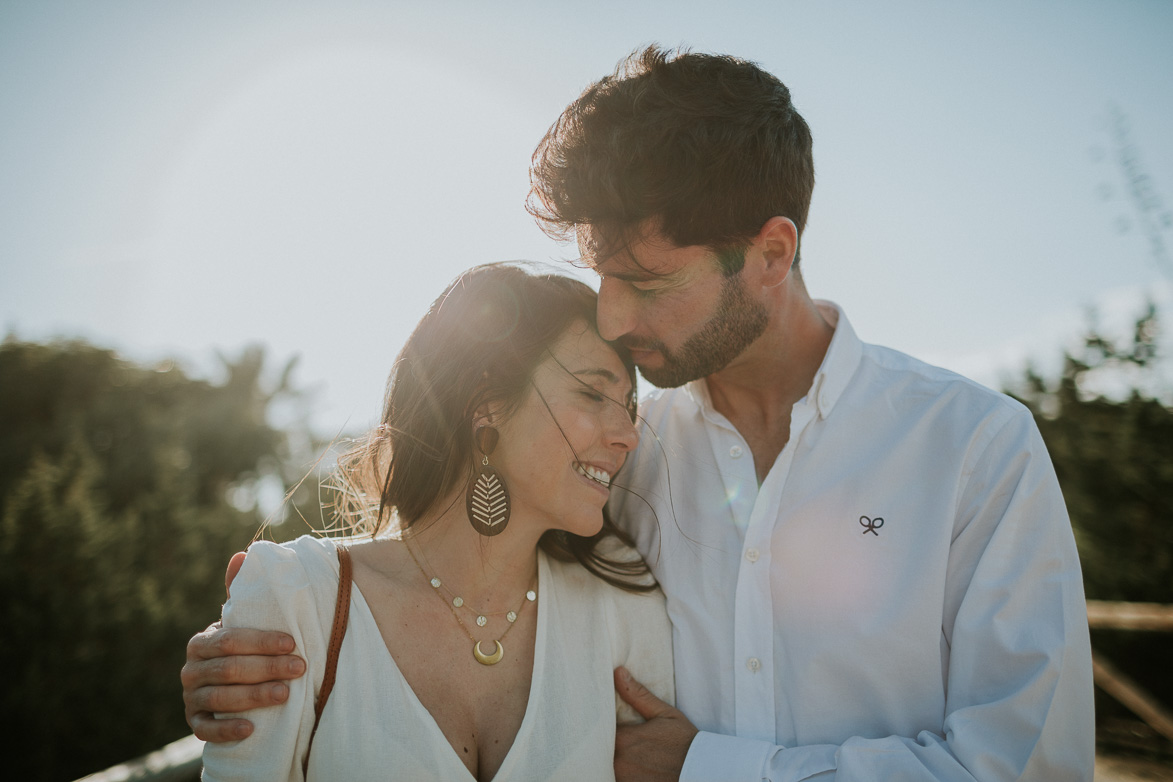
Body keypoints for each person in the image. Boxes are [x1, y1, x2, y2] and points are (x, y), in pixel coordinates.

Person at [185, 48, 1095, 780]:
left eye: (646, 281)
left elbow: (1029, 765)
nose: (612, 319)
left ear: (771, 253)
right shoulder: (627, 456)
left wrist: (715, 769)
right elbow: (468, 561)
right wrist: (266, 641)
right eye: (601, 279)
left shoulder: (974, 447)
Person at [197, 263, 675, 781]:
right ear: (485, 403)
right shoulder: (295, 600)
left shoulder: (620, 600)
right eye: (593, 394)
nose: (629, 434)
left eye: (629, 407)